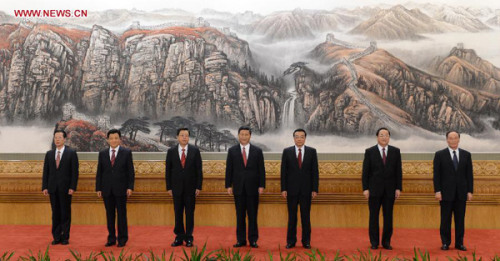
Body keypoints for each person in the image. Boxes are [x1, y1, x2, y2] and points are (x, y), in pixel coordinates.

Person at [362, 127, 402, 250]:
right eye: (381, 135)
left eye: (386, 135)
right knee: (373, 217)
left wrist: (398, 188)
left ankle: (386, 242)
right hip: (374, 190)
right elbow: (365, 172)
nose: (384, 137)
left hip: (390, 190)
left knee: (388, 217)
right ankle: (374, 242)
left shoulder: (395, 151)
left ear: (389, 137)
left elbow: (398, 172)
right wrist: (366, 188)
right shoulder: (370, 151)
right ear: (377, 137)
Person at [225, 126, 265, 248]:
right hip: (238, 188)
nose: (244, 136)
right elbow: (229, 170)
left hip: (253, 188)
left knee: (253, 215)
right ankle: (240, 240)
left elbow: (261, 170)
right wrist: (228, 185)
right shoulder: (232, 151)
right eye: (241, 134)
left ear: (250, 136)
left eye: (246, 134)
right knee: (240, 215)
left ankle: (253, 240)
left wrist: (261, 185)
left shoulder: (257, 151)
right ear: (238, 136)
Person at [433, 131, 473, 251]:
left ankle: (459, 243)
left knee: (460, 220)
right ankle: (445, 242)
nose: (453, 140)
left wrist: (470, 191)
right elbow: (437, 175)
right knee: (445, 219)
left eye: (455, 138)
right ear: (447, 140)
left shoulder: (466, 155)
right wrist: (437, 191)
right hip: (445, 193)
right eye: (451, 138)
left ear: (459, 139)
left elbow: (469, 175)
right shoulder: (440, 155)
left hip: (461, 193)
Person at [96, 129, 135, 248]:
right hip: (106, 189)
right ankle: (111, 238)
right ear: (108, 140)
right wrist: (98, 188)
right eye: (111, 138)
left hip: (122, 189)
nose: (113, 140)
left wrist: (130, 187)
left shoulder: (126, 152)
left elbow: (130, 172)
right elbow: (100, 172)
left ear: (120, 139)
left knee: (122, 215)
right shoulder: (102, 153)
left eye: (116, 138)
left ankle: (122, 239)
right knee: (110, 215)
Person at [280, 128, 319, 249]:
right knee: (292, 217)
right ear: (294, 138)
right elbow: (283, 172)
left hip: (306, 190)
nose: (299, 139)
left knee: (305, 217)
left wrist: (314, 189)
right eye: (297, 136)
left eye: (302, 137)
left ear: (305, 138)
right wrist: (283, 189)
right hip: (291, 190)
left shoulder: (312, 152)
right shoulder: (287, 151)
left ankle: (306, 241)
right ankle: (291, 241)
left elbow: (315, 172)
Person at [166, 128, 203, 247]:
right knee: (178, 213)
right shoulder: (171, 151)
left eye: (186, 135)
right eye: (182, 135)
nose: (184, 137)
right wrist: (169, 187)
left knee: (190, 213)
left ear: (189, 137)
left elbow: (199, 170)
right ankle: (179, 237)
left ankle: (189, 237)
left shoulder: (195, 151)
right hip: (176, 188)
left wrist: (198, 186)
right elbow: (168, 171)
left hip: (191, 188)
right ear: (177, 137)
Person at [42, 129, 79, 245]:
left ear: (64, 139)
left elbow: (74, 172)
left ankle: (65, 237)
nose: (57, 140)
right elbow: (46, 172)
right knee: (55, 213)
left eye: (59, 137)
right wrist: (45, 187)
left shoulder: (71, 153)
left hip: (66, 189)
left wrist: (72, 187)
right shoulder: (49, 154)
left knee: (65, 213)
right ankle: (56, 237)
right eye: (55, 138)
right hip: (52, 188)